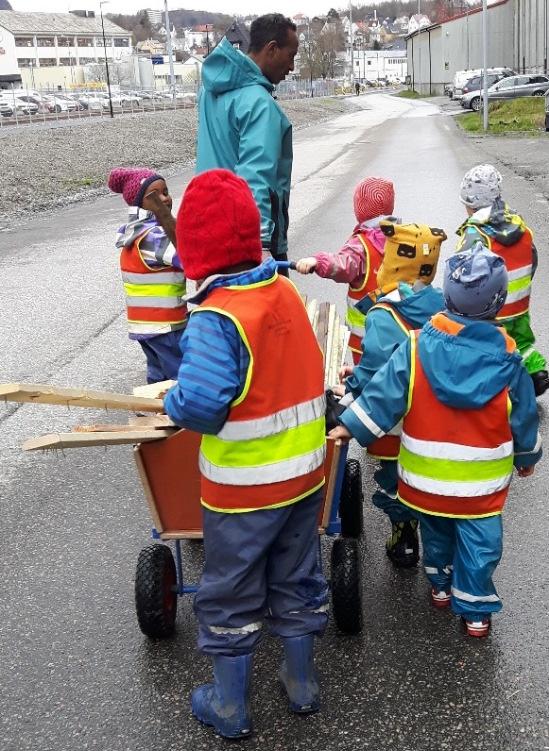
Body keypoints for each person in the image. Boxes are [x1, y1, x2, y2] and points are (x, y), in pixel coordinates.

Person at [163, 169, 328, 739]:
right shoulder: (281, 290)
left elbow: (203, 405)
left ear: (195, 250)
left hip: (244, 492)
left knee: (232, 589)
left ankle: (230, 706)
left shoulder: (218, 317)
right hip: (305, 478)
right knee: (296, 575)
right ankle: (300, 684)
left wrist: (173, 400)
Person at [330, 243, 541, 638]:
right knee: (480, 544)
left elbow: (382, 396)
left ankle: (441, 586)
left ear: (446, 295)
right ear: (498, 303)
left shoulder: (415, 348)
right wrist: (526, 455)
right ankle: (475, 611)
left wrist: (350, 425)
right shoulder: (509, 359)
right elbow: (523, 416)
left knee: (438, 533)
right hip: (481, 487)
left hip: (426, 482)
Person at [340, 220, 446, 568]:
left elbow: (376, 369)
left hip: (397, 421)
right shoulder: (444, 306)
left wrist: (352, 384)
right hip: (434, 417)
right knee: (431, 475)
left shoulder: (384, 315)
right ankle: (440, 545)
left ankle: (404, 538)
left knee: (394, 476)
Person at [196, 14, 299, 268]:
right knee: (270, 307)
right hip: (245, 244)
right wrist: (261, 245)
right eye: (291, 56)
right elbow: (255, 177)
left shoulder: (210, 91)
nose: (292, 67)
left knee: (217, 306)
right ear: (272, 49)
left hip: (208, 232)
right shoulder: (259, 104)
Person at [457, 163, 549, 396]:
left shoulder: (475, 234)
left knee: (489, 348)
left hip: (490, 313)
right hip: (519, 306)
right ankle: (534, 371)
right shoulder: (518, 225)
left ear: (471, 203)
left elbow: (463, 275)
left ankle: (503, 385)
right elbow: (533, 258)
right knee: (521, 341)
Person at [295, 177, 397, 363]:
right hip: (398, 333)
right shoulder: (402, 238)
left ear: (360, 209)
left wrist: (317, 261)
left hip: (366, 340)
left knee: (367, 385)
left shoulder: (361, 245)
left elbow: (342, 264)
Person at [108, 167, 187, 384]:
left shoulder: (133, 232)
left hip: (142, 324)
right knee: (180, 373)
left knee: (158, 373)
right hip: (166, 323)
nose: (166, 198)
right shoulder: (155, 236)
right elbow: (189, 258)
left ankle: (153, 410)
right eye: (156, 195)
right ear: (140, 203)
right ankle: (184, 414)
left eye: (166, 191)